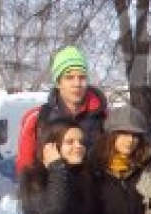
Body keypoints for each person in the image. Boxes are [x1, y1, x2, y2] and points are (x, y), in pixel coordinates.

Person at [16, 45, 108, 174]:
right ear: (58, 82)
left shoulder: (104, 116)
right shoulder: (37, 117)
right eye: (69, 77)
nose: (77, 84)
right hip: (50, 190)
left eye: (82, 77)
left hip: (91, 191)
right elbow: (24, 168)